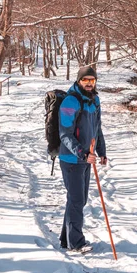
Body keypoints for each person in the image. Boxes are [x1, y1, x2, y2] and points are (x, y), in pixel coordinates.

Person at [58, 65, 107, 251]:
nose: (88, 83)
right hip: (71, 159)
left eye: (91, 80)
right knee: (77, 200)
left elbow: (97, 129)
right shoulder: (70, 102)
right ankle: (76, 243)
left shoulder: (94, 100)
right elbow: (65, 134)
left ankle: (66, 239)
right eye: (85, 80)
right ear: (79, 81)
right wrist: (82, 154)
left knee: (77, 199)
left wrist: (102, 152)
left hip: (87, 159)